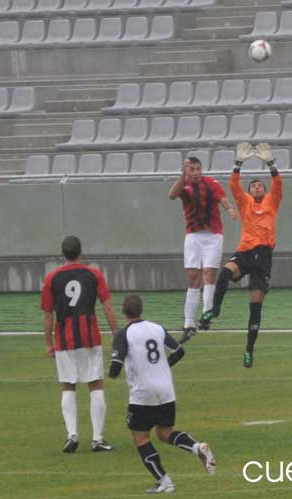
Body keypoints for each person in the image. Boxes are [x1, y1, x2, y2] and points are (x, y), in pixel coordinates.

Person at [109, 294, 216, 494]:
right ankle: (197, 447)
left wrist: (114, 365)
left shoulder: (123, 335)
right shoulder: (157, 328)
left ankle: (165, 481)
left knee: (140, 438)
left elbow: (114, 369)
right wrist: (161, 367)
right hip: (166, 390)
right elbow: (179, 351)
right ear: (141, 310)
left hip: (143, 394)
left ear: (123, 312)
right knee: (165, 433)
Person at [199, 143, 283, 368]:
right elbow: (234, 185)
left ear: (264, 191)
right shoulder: (244, 202)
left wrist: (271, 164)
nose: (256, 188)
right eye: (253, 186)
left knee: (255, 306)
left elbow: (278, 184)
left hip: (263, 257)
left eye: (259, 186)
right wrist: (238, 164)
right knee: (225, 273)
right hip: (245, 252)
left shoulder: (271, 203)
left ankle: (249, 349)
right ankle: (214, 310)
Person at [41, 235, 119, 453]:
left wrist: (49, 343)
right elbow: (107, 306)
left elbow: (48, 314)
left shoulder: (52, 278)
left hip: (64, 339)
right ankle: (97, 438)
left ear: (62, 253)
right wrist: (116, 333)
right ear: (81, 251)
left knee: (68, 386)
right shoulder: (93, 274)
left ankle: (72, 434)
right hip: (90, 336)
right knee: (95, 384)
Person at [168, 156, 236, 344]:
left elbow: (222, 198)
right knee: (192, 276)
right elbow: (172, 195)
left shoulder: (211, 183)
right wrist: (182, 176)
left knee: (208, 274)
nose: (197, 172)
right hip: (193, 235)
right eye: (192, 169)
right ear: (187, 170)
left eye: (199, 168)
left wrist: (230, 209)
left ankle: (206, 316)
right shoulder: (184, 185)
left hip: (213, 235)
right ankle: (188, 324)